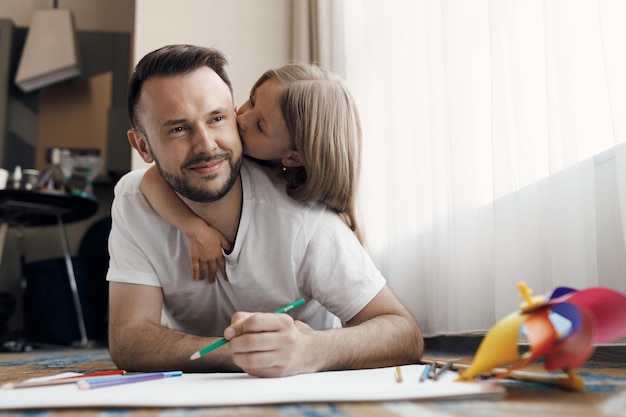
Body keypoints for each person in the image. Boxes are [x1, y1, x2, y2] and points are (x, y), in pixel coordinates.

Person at [107, 44, 423, 377]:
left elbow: (404, 333)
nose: (207, 145)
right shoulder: (135, 202)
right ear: (142, 146)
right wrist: (239, 352)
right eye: (178, 129)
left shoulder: (306, 220)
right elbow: (128, 340)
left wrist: (310, 349)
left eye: (217, 119)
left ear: (231, 115)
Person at [140, 62, 363, 282]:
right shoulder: (238, 156)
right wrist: (194, 228)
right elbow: (150, 179)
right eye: (252, 101)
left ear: (293, 157)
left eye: (260, 125)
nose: (241, 118)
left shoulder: (314, 225)